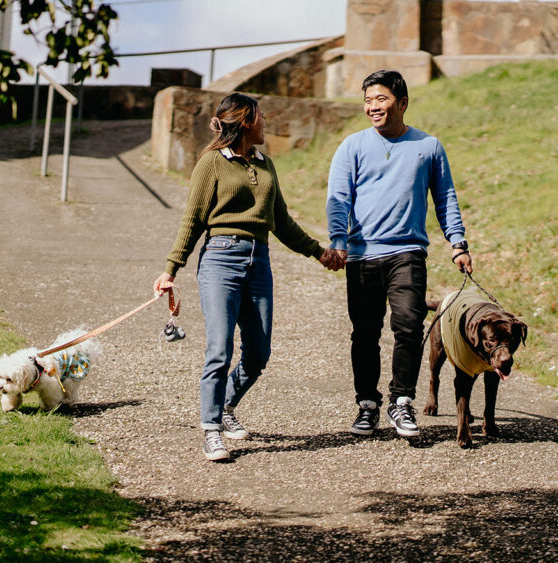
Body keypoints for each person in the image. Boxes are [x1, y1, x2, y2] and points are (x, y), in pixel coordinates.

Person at [154, 93, 342, 462]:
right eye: (260, 116)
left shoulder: (265, 163)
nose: (266, 121)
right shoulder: (210, 163)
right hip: (220, 260)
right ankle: (211, 430)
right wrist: (170, 270)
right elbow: (192, 220)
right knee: (220, 350)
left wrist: (318, 252)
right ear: (244, 121)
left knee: (258, 354)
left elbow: (282, 220)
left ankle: (225, 406)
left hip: (260, 262)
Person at [325, 69, 473, 439]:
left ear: (402, 103)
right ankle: (367, 405)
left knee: (408, 327)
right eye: (368, 100)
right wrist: (338, 240)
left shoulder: (429, 146)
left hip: (407, 252)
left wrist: (457, 243)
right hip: (361, 255)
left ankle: (402, 401)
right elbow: (338, 198)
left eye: (381, 99)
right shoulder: (352, 146)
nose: (373, 107)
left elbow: (445, 198)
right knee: (364, 333)